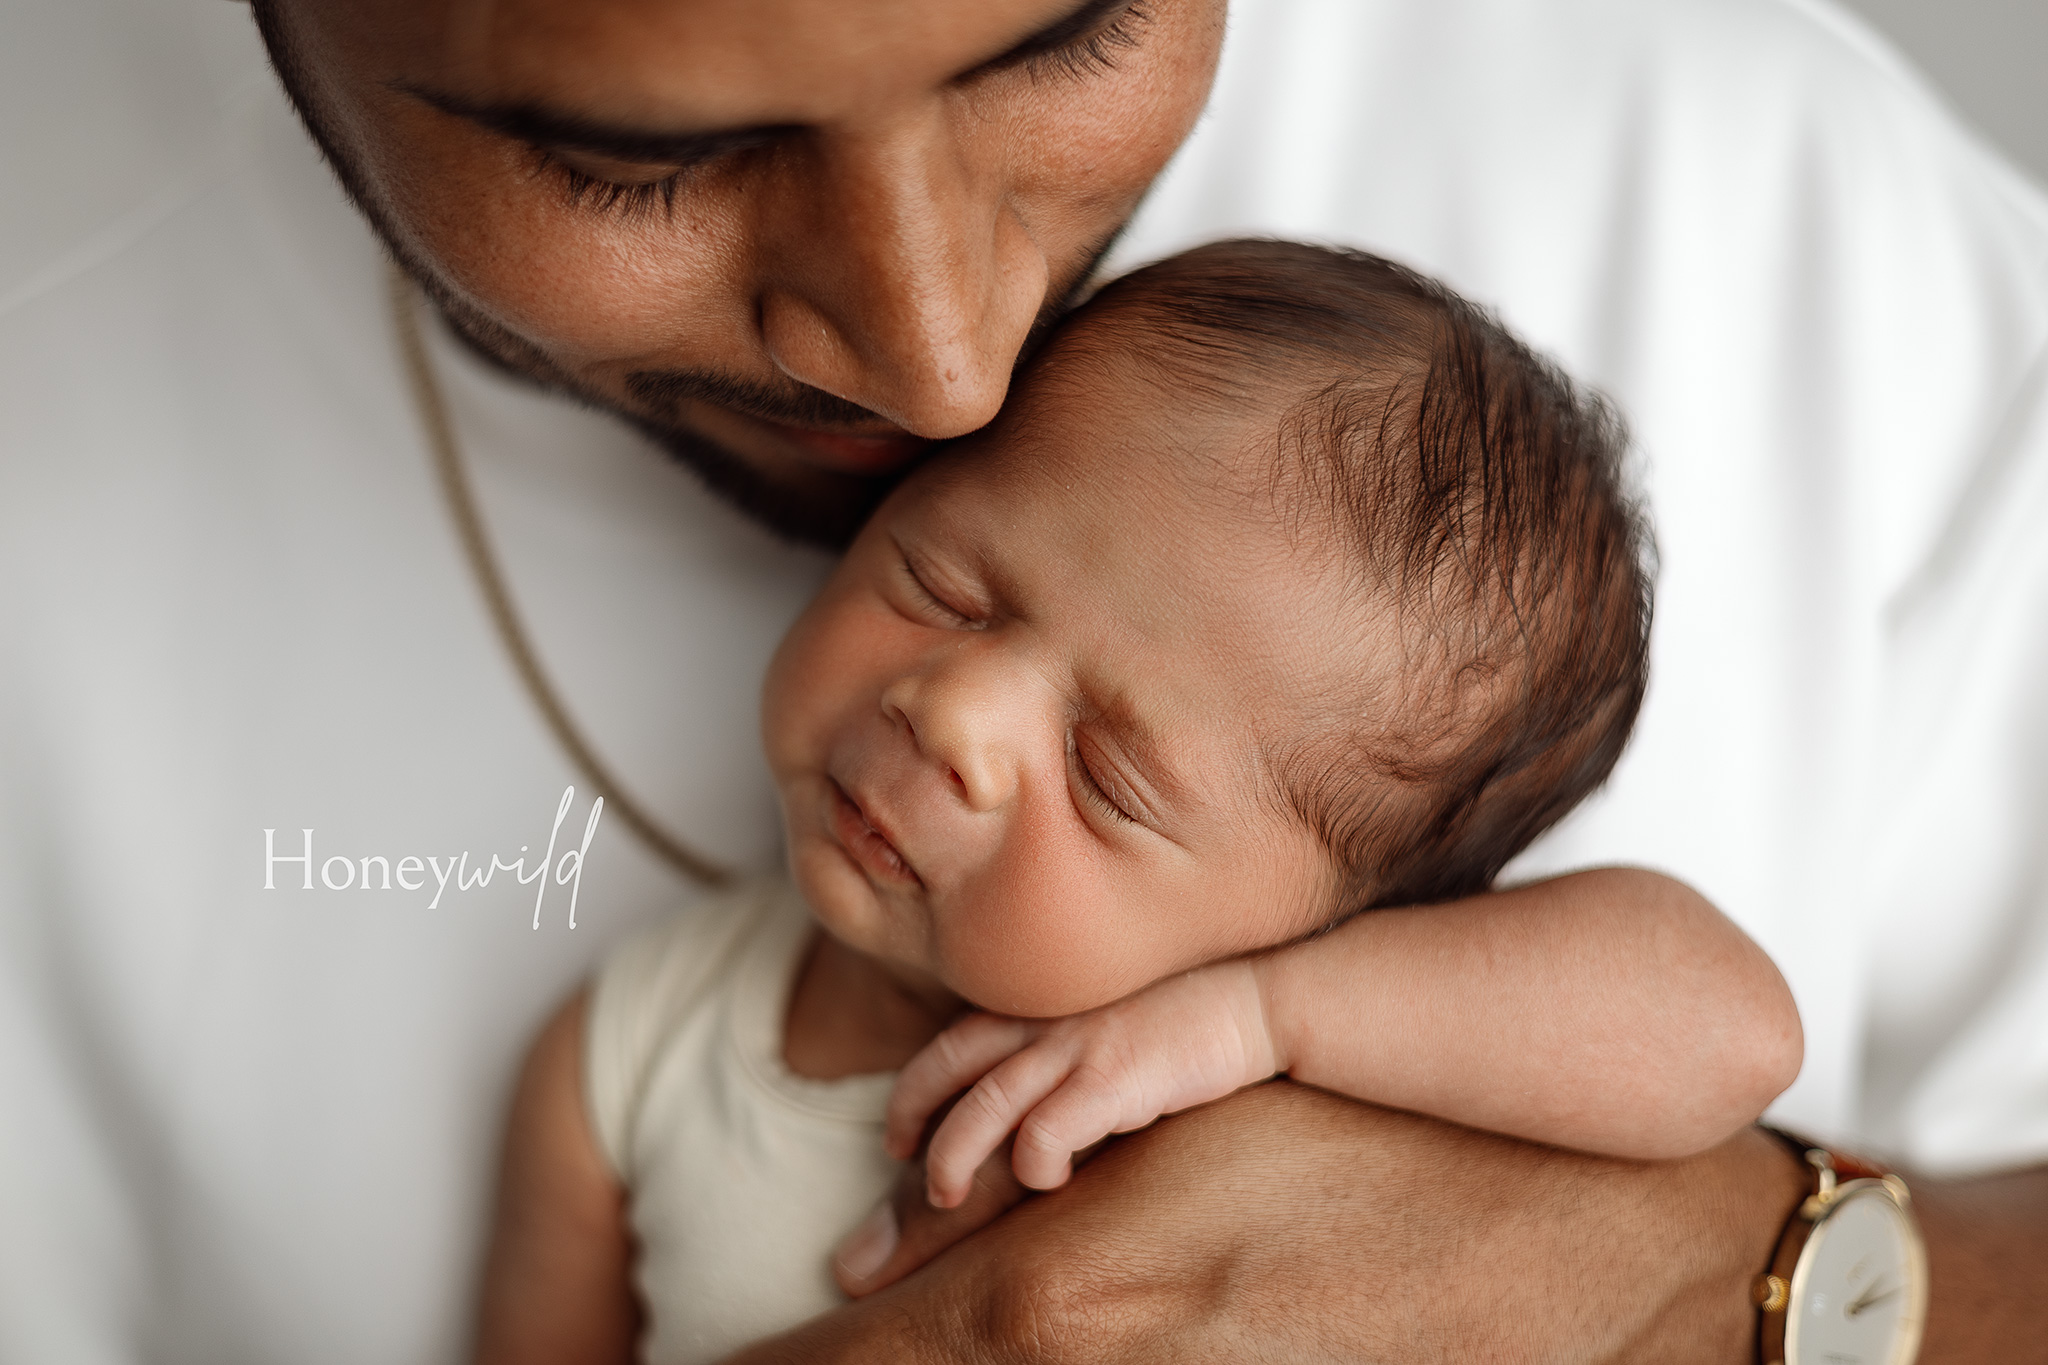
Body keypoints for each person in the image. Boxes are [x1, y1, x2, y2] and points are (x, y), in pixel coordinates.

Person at [1, 0, 2043, 1361]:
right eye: (634, 160)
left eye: (1068, 29)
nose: (945, 367)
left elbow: (1714, 1013)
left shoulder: (1752, 164)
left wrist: (1746, 1289)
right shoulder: (639, 1047)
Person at [473, 241, 1800, 1364]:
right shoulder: (635, 1051)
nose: (955, 715)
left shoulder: (1296, 1038)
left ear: (1324, 916)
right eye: (944, 585)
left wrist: (1265, 1017)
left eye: (1108, 774)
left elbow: (1734, 1029)